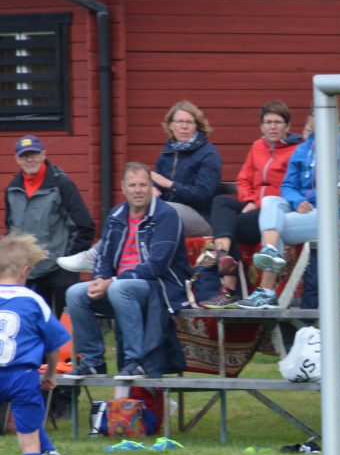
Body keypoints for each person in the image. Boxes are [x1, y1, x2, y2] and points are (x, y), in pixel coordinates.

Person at [234, 128, 340, 309]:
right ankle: (270, 251)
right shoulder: (303, 149)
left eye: (314, 127)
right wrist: (298, 200)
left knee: (273, 229)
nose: (310, 132)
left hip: (333, 217)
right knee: (271, 201)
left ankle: (267, 291)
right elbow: (287, 186)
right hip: (302, 213)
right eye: (308, 128)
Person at [58, 100, 222, 271]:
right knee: (129, 207)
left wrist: (170, 184)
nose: (184, 126)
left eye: (189, 122)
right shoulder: (167, 153)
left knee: (158, 211)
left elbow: (203, 195)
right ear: (170, 126)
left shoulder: (208, 153)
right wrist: (154, 188)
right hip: (168, 209)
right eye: (179, 122)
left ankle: (96, 256)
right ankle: (97, 256)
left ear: (197, 125)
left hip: (201, 217)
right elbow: (159, 186)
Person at [64, 162, 192, 380]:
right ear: (123, 188)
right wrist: (100, 279)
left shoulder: (166, 215)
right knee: (75, 293)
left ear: (151, 186)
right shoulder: (116, 215)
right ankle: (92, 361)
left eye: (143, 184)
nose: (138, 190)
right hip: (120, 285)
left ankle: (137, 361)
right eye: (132, 185)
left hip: (159, 287)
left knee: (119, 289)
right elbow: (103, 256)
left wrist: (112, 281)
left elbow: (157, 265)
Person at [0, 232, 74, 455]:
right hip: (22, 375)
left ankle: (51, 452)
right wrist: (51, 375)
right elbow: (54, 346)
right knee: (27, 443)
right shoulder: (33, 300)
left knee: (30, 429)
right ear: (25, 270)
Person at [200, 100, 304, 307]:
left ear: (287, 126)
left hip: (275, 209)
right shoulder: (257, 146)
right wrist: (248, 200)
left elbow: (289, 187)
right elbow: (244, 179)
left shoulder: (296, 151)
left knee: (232, 227)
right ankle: (223, 255)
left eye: (277, 122)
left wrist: (256, 203)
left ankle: (227, 286)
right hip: (253, 205)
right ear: (261, 126)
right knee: (221, 201)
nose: (272, 127)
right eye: (267, 122)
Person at [4, 135, 96, 316]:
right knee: (33, 327)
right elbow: (11, 230)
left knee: (66, 327)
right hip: (28, 271)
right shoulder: (12, 189)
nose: (30, 160)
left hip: (61, 271)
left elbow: (85, 226)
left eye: (34, 154)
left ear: (43, 154)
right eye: (24, 156)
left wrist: (68, 260)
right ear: (17, 159)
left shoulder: (61, 184)